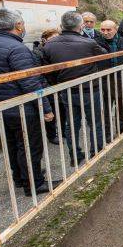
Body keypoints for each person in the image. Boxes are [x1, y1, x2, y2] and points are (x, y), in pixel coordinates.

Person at [0, 9, 58, 196]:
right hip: (23, 106)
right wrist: (45, 108)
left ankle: (21, 177)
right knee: (30, 145)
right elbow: (29, 81)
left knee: (13, 144)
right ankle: (35, 184)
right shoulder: (17, 48)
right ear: (18, 25)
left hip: (1, 104)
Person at [42, 11, 107, 164]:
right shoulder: (89, 43)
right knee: (95, 122)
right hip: (90, 89)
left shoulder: (49, 44)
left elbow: (48, 71)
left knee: (71, 125)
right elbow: (104, 56)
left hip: (67, 91)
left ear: (62, 25)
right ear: (81, 25)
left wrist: (58, 83)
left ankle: (74, 156)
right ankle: (96, 152)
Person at [95, 20, 123, 141]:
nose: (106, 32)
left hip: (121, 80)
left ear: (115, 29)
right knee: (106, 110)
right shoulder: (96, 43)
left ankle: (121, 130)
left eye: (109, 30)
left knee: (121, 108)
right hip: (103, 81)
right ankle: (107, 135)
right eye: (103, 30)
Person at [32, 28, 63, 145]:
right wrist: (47, 86)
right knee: (51, 111)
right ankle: (51, 135)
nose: (55, 41)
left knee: (61, 109)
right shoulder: (37, 52)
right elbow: (38, 73)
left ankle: (63, 132)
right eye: (52, 39)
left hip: (57, 84)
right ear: (44, 40)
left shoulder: (58, 50)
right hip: (47, 86)